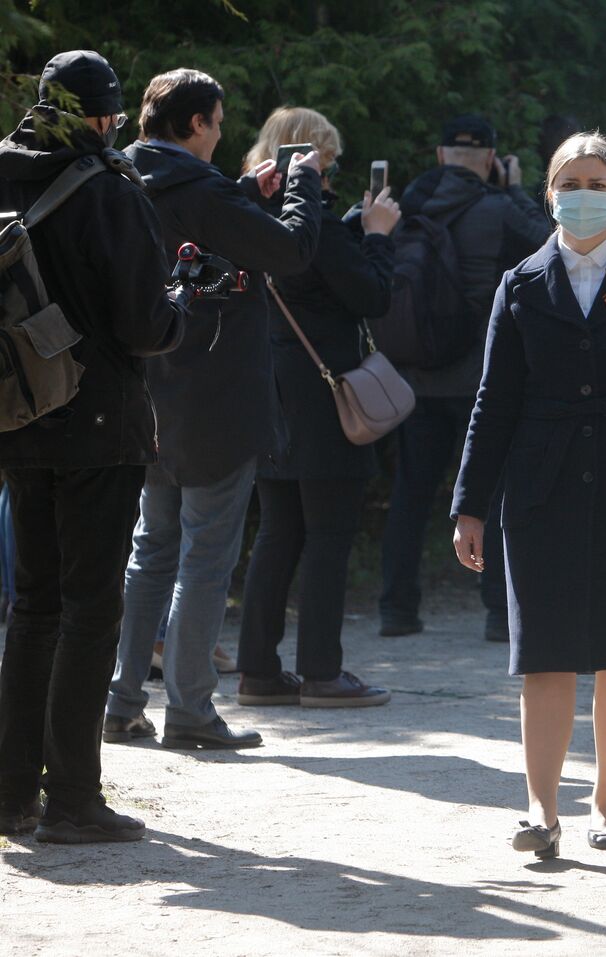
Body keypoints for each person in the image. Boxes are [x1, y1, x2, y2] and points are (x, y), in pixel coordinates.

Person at [452, 133, 606, 857]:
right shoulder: (520, 283)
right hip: (544, 487)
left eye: (597, 181)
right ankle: (540, 807)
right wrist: (470, 503)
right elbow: (492, 402)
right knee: (546, 654)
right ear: (549, 193)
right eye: (570, 181)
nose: (583, 193)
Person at [0, 50, 188, 842]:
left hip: (15, 416)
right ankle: (74, 798)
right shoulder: (110, 192)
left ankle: (11, 794)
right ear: (106, 115)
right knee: (89, 610)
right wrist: (186, 305)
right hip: (99, 423)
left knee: (31, 606)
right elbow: (146, 327)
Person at [105, 69, 323, 751]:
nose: (222, 133)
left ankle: (120, 699)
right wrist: (301, 185)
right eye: (219, 122)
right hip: (218, 400)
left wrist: (239, 191)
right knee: (204, 557)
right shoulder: (198, 189)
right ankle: (192, 709)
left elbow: (191, 227)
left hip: (148, 393)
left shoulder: (122, 177)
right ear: (196, 124)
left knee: (150, 551)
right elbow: (290, 250)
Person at [235, 107, 401, 706]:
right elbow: (370, 293)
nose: (327, 179)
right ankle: (322, 672)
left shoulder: (248, 216)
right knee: (329, 534)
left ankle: (257, 669)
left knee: (278, 532)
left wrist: (355, 223)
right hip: (326, 396)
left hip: (270, 390)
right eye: (325, 166)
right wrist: (379, 235)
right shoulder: (319, 228)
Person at [378, 115, 552, 641]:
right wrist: (518, 188)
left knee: (410, 494)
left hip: (415, 377)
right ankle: (500, 615)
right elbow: (552, 245)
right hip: (481, 380)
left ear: (439, 156)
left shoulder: (403, 207)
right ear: (493, 160)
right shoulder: (499, 209)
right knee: (492, 497)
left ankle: (396, 611)